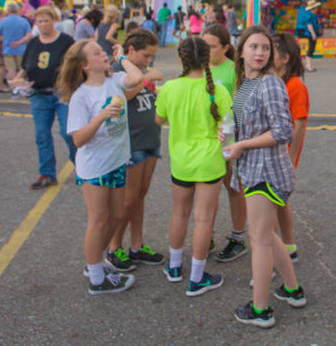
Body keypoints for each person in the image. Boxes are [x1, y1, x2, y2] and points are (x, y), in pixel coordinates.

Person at [225, 25, 306, 328]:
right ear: (241, 50)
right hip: (252, 167)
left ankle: (261, 311)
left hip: (267, 172)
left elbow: (283, 131)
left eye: (265, 48)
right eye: (253, 47)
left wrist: (243, 144)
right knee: (268, 237)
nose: (259, 53)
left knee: (258, 240)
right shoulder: (246, 82)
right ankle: (292, 290)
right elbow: (247, 122)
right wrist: (232, 135)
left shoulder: (270, 84)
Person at [59, 38, 143, 295]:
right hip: (95, 168)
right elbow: (79, 139)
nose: (103, 54)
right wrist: (100, 118)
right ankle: (97, 278)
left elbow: (136, 79)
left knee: (117, 216)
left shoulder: (114, 81)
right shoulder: (81, 96)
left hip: (117, 161)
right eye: (96, 53)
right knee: (98, 220)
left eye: (103, 50)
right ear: (84, 65)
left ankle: (96, 261)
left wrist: (123, 59)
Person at [155, 36, 232, 296]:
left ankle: (175, 267)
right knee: (204, 219)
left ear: (181, 60)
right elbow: (229, 124)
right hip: (210, 161)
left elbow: (158, 119)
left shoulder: (170, 88)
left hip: (181, 161)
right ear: (207, 59)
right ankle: (197, 277)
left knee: (180, 213)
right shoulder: (218, 91)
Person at [104, 28, 166, 271]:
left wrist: (146, 77)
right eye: (145, 55)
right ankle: (114, 246)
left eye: (151, 56)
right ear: (130, 51)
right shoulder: (118, 71)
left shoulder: (138, 72)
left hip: (150, 139)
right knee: (128, 199)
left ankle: (137, 246)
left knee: (139, 196)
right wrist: (145, 78)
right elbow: (122, 97)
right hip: (131, 143)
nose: (148, 60)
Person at [14, 6, 77, 190]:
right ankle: (47, 173)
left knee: (69, 132)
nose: (43, 24)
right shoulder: (34, 43)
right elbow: (26, 66)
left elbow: (76, 63)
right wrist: (18, 79)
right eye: (39, 21)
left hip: (61, 93)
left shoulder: (65, 41)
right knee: (42, 136)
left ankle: (82, 166)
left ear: (54, 20)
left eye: (46, 21)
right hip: (39, 94)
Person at [202, 24, 247, 263]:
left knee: (233, 188)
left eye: (212, 46)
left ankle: (238, 237)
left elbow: (240, 106)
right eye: (204, 45)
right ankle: (205, 236)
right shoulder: (198, 69)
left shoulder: (233, 70)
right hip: (203, 142)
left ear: (225, 47)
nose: (207, 51)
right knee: (207, 194)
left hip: (228, 140)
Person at [273, 32, 308, 262]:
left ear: (284, 58)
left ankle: (277, 251)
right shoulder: (273, 80)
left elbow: (300, 123)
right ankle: (289, 247)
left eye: (269, 51)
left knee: (273, 206)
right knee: (280, 204)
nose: (263, 55)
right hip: (273, 154)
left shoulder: (295, 86)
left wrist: (290, 160)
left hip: (281, 157)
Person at [0, 1, 32, 86]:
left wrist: (5, 39)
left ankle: (11, 87)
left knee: (10, 69)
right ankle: (20, 86)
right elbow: (29, 35)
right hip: (21, 49)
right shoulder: (24, 21)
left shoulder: (3, 21)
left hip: (7, 48)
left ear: (8, 11)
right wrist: (19, 42)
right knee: (22, 69)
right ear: (17, 10)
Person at [293, 0, 320, 73]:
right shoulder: (309, 14)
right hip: (307, 32)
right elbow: (309, 24)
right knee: (311, 48)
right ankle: (308, 66)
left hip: (302, 31)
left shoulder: (302, 10)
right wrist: (313, 33)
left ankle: (308, 65)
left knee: (309, 48)